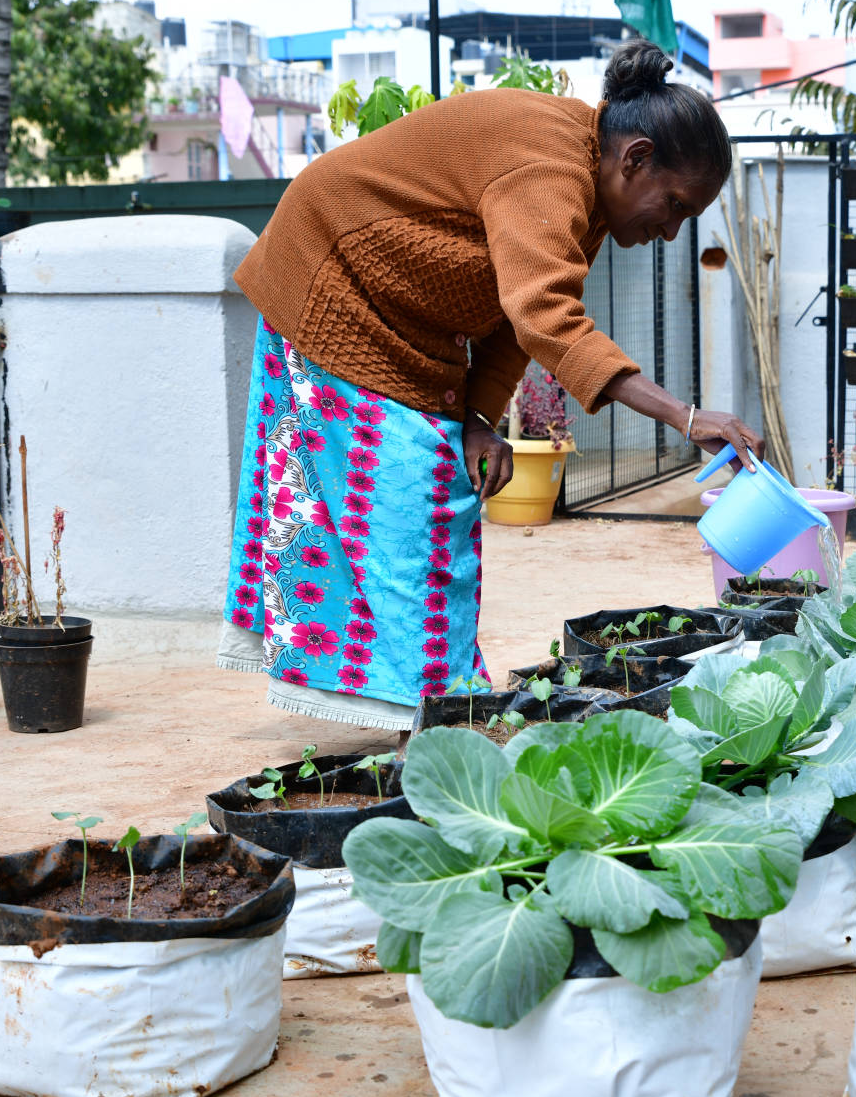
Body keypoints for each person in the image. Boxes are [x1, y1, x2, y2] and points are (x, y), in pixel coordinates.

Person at [217, 41, 764, 732]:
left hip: (404, 323)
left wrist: (479, 416)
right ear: (635, 159)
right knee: (405, 495)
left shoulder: (586, 187)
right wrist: (686, 418)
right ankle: (439, 714)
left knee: (437, 491)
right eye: (676, 204)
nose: (671, 230)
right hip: (332, 281)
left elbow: (516, 314)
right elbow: (547, 317)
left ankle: (441, 704)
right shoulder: (551, 166)